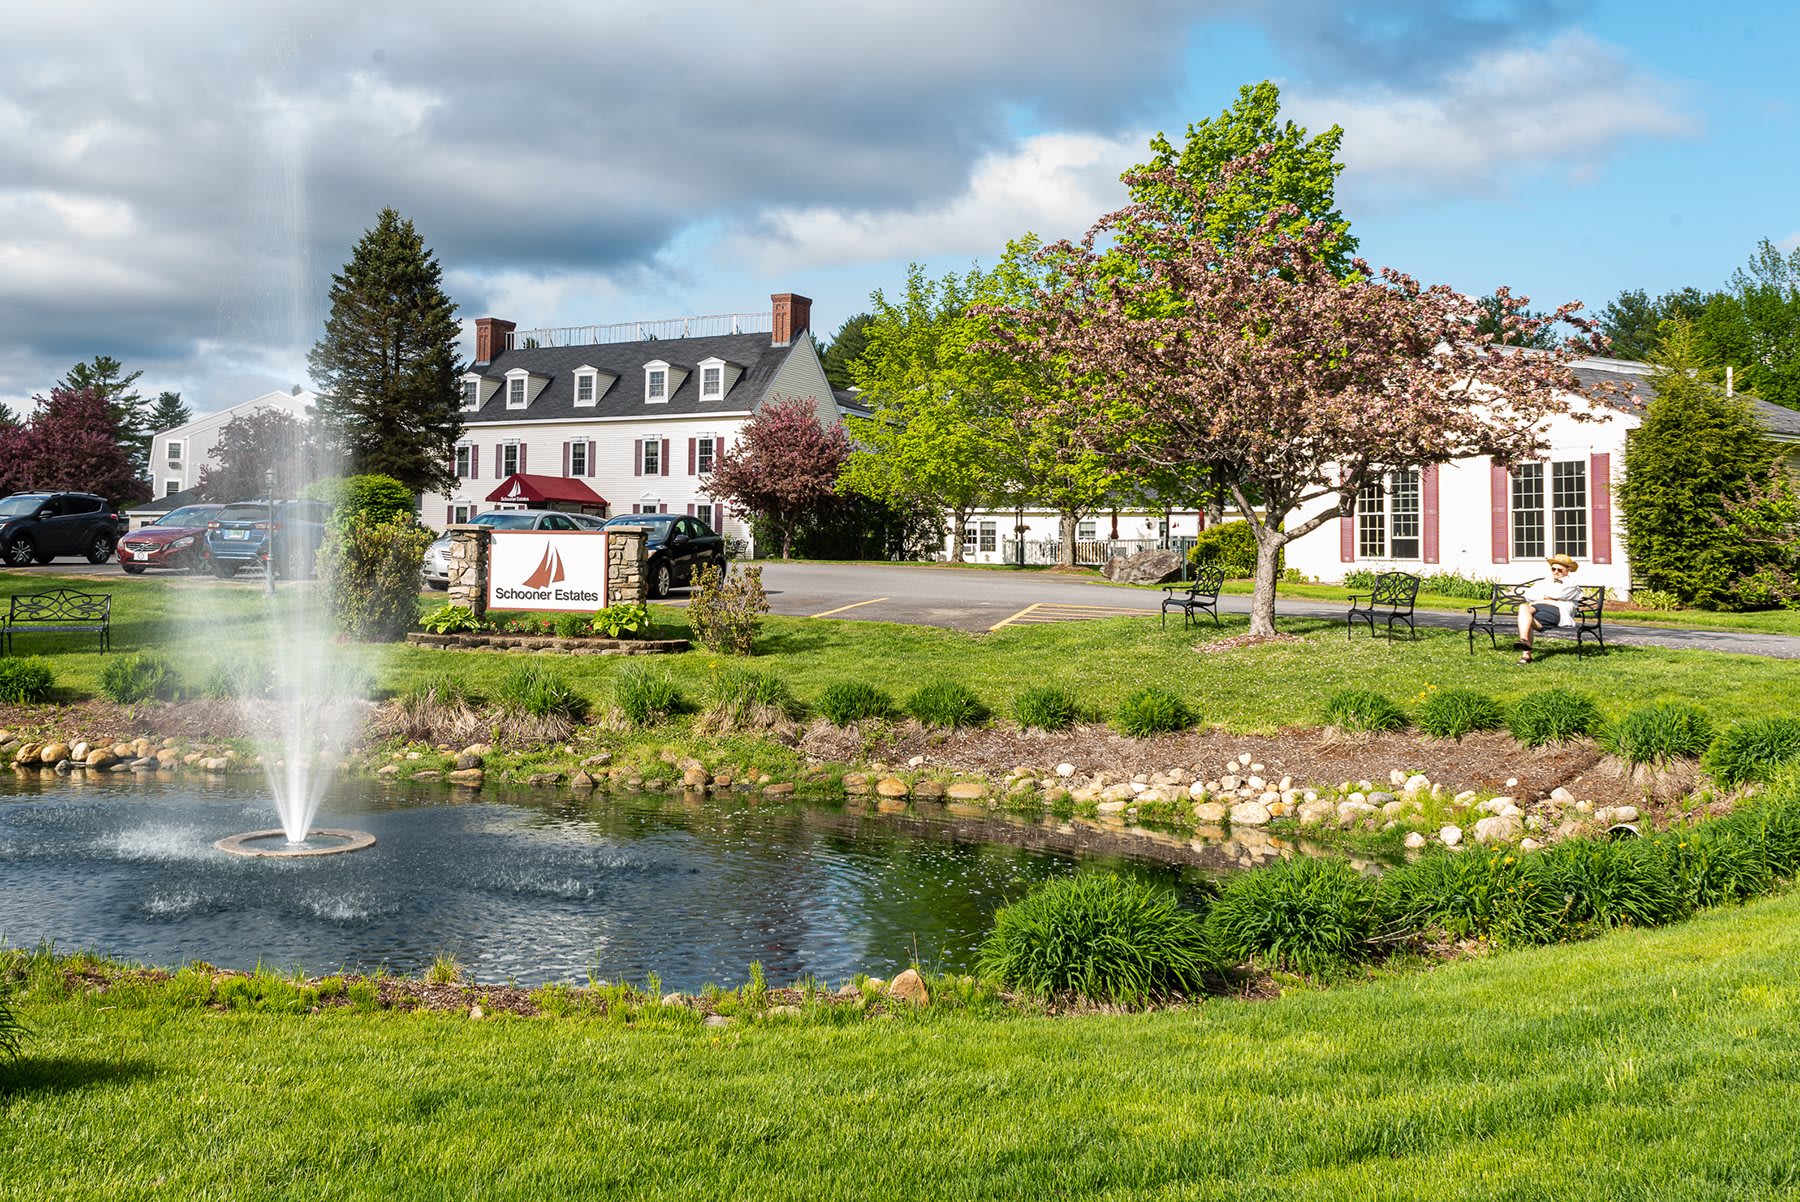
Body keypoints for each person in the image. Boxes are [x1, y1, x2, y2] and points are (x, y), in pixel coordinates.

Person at [1516, 554, 1582, 664]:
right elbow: (1528, 595)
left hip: (1557, 611)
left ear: (1568, 570)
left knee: (1525, 620)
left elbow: (1557, 594)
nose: (1556, 572)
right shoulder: (1545, 581)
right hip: (1538, 607)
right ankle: (1524, 640)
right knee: (1523, 607)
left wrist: (1543, 595)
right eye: (1553, 569)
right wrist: (1546, 597)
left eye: (1559, 570)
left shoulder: (1572, 584)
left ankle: (1526, 655)